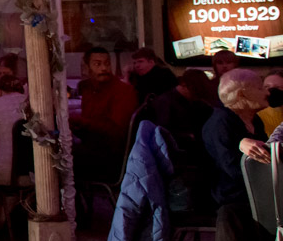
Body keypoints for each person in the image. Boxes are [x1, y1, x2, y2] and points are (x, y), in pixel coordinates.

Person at [196, 69, 276, 241]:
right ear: (243, 95)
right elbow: (232, 169)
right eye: (261, 87)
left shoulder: (254, 123)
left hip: (251, 198)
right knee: (235, 222)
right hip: (226, 199)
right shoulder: (221, 123)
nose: (267, 91)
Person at [71, 47, 139, 181]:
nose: (104, 68)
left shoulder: (123, 91)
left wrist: (79, 121)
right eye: (97, 64)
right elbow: (92, 127)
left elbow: (117, 131)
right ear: (86, 68)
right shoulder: (88, 88)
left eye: (107, 63)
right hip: (94, 147)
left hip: (110, 157)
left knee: (53, 155)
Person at [152, 68, 214, 153]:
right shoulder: (165, 102)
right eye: (195, 92)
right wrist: (188, 136)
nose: (197, 97)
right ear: (184, 85)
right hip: (180, 148)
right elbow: (163, 132)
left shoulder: (195, 101)